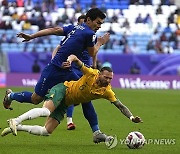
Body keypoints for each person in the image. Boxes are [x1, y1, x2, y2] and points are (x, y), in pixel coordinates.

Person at [3, 8, 110, 143]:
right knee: (36, 99)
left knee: (85, 95)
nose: (99, 26)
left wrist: (32, 36)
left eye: (101, 24)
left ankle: (96, 132)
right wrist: (101, 42)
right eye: (98, 23)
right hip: (55, 70)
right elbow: (92, 52)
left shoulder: (75, 28)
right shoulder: (89, 34)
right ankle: (11, 96)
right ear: (89, 20)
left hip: (69, 71)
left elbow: (54, 30)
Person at [1, 55, 142, 145]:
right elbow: (76, 58)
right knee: (44, 110)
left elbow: (120, 106)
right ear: (100, 74)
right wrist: (70, 60)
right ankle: (16, 120)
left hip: (66, 103)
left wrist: (131, 117)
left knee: (46, 131)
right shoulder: (91, 73)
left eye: (110, 78)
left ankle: (17, 127)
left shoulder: (107, 91)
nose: (108, 80)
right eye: (106, 77)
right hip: (63, 89)